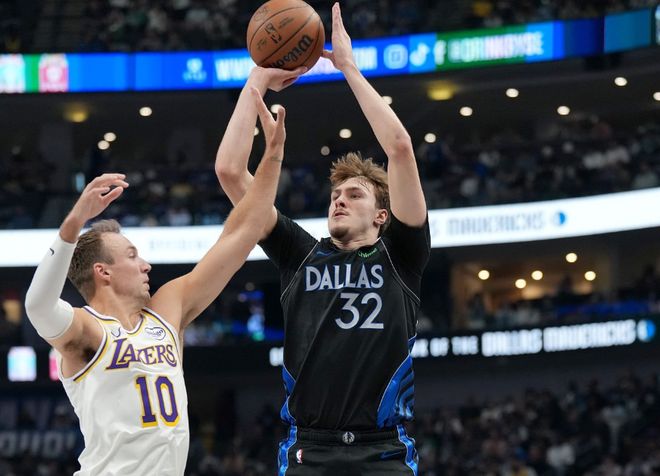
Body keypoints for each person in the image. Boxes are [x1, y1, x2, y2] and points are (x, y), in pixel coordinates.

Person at [24, 89, 287, 476]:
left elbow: (243, 232)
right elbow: (37, 306)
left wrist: (273, 152)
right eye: (132, 256)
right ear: (103, 272)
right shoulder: (87, 331)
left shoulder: (167, 311)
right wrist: (75, 221)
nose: (146, 265)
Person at [215, 3, 429, 474]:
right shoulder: (298, 254)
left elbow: (399, 148)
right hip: (308, 451)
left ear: (382, 215)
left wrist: (348, 68)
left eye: (354, 194)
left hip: (384, 451)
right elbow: (230, 171)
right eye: (335, 195)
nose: (339, 200)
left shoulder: (402, 257)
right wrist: (256, 82)